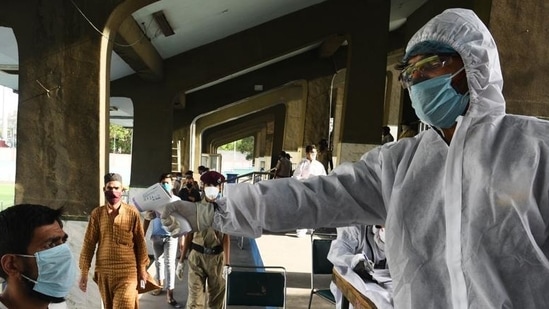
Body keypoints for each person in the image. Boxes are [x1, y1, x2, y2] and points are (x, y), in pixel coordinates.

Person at [162, 8, 549, 308]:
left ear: (470, 66)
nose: (416, 81)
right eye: (409, 73)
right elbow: (313, 198)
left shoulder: (534, 150)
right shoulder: (400, 167)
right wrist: (215, 211)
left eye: (429, 65)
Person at [79, 173, 149, 309]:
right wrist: (84, 272)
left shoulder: (132, 213)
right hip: (104, 272)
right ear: (104, 190)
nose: (113, 192)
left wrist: (142, 269)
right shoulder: (97, 214)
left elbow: (140, 242)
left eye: (117, 188)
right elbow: (89, 243)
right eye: (109, 188)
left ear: (122, 190)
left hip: (127, 272)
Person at [0, 204, 76, 309]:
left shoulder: (59, 307)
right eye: (50, 244)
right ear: (12, 265)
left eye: (63, 241)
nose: (65, 255)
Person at [177, 171, 230, 309]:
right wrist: (181, 261)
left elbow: (226, 238)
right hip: (197, 257)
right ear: (203, 186)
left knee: (216, 301)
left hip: (217, 258)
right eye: (208, 185)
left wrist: (227, 264)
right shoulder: (195, 208)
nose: (211, 188)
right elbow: (189, 234)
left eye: (215, 185)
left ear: (220, 188)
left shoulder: (225, 210)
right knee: (195, 302)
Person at [327, 225, 390, 309]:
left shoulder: (398, 232)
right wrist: (355, 260)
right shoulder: (354, 226)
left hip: (384, 282)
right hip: (351, 283)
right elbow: (337, 252)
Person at [143, 173, 182, 308]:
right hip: (156, 235)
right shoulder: (154, 201)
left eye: (167, 182)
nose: (165, 184)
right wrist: (142, 234)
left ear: (172, 184)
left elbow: (181, 221)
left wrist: (182, 239)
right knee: (158, 262)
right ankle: (159, 286)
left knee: (170, 263)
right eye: (163, 182)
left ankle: (170, 294)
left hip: (171, 236)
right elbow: (147, 218)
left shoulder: (176, 200)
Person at [292, 144, 327, 237]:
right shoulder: (302, 163)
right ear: (307, 153)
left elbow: (324, 177)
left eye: (315, 153)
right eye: (312, 152)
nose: (314, 154)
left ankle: (311, 228)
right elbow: (296, 176)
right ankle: (301, 229)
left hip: (315, 190)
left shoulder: (319, 165)